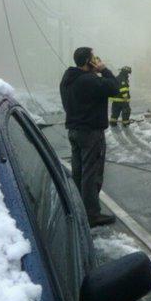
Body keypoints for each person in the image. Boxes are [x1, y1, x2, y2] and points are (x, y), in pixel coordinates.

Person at [60, 47, 120, 227]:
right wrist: (103, 69)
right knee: (91, 174)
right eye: (93, 58)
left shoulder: (68, 78)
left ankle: (79, 209)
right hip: (90, 133)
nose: (96, 60)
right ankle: (92, 214)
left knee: (79, 173)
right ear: (88, 61)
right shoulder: (88, 80)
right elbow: (114, 87)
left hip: (74, 131)